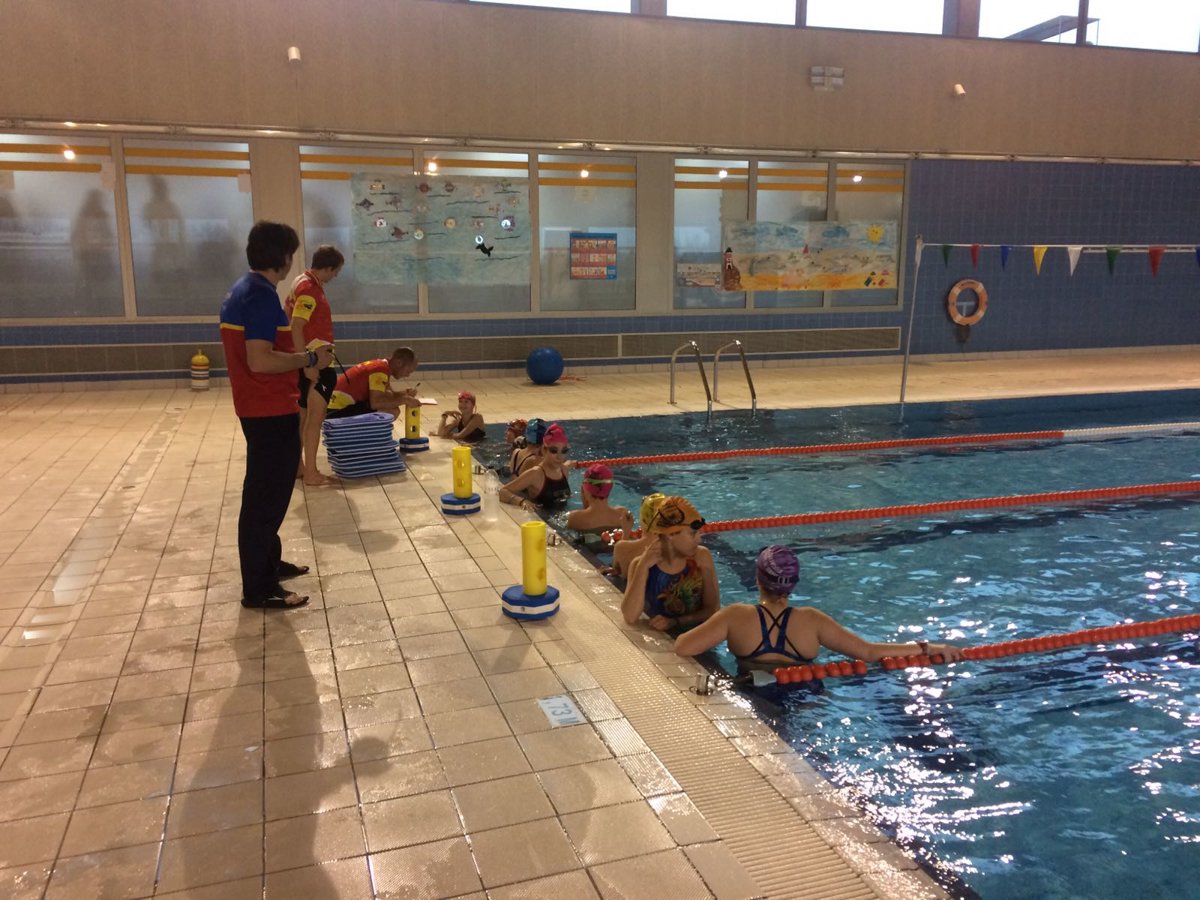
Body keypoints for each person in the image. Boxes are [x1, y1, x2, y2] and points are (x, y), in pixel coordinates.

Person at [219, 221, 333, 610]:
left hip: (261, 406)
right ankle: (259, 588)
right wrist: (309, 360)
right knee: (265, 498)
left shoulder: (245, 289)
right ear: (284, 257)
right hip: (267, 408)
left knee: (271, 493)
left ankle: (269, 563)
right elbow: (260, 359)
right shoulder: (260, 296)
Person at [674, 544, 965, 671]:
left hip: (753, 695)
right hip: (806, 698)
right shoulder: (813, 621)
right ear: (794, 583)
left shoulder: (736, 616)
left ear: (758, 580)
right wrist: (928, 647)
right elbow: (869, 652)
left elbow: (683, 647)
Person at [287, 244, 344, 486]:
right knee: (314, 420)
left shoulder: (302, 281)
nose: (335, 276)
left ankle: (299, 467)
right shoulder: (309, 289)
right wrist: (308, 364)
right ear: (328, 267)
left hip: (308, 361)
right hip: (316, 366)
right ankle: (311, 472)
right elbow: (296, 326)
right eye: (335, 271)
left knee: (303, 418)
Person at [622, 496, 719, 631]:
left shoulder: (701, 557)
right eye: (693, 533)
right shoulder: (640, 564)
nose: (699, 540)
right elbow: (630, 617)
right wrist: (642, 568)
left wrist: (675, 622)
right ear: (671, 534)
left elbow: (713, 610)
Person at [325, 347, 422, 419]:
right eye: (408, 371)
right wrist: (404, 400)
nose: (408, 375)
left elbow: (387, 395)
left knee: (391, 407)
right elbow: (376, 403)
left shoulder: (382, 366)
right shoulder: (379, 370)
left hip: (335, 407)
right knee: (391, 412)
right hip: (336, 411)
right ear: (399, 363)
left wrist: (404, 393)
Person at [499, 423, 572, 511]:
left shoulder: (564, 470)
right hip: (541, 518)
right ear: (544, 450)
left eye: (564, 451)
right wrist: (522, 501)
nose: (559, 457)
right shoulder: (535, 473)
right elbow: (503, 492)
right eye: (554, 451)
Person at [605, 492, 665, 578]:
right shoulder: (675, 549)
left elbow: (616, 570)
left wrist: (626, 531)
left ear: (642, 519)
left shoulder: (621, 548)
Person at [566, 464, 633, 533]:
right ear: (610, 487)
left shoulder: (574, 518)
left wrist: (584, 498)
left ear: (584, 489)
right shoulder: (622, 514)